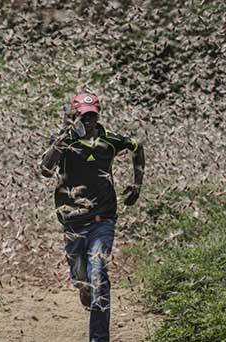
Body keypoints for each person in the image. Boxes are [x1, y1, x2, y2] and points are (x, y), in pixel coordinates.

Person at [40, 92, 145, 342]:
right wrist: (64, 137)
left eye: (91, 116)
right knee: (82, 281)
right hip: (73, 223)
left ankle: (99, 339)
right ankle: (83, 287)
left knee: (98, 276)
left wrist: (136, 184)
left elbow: (137, 147)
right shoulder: (63, 142)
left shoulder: (109, 139)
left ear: (97, 115)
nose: (88, 122)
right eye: (82, 117)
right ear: (73, 116)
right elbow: (45, 170)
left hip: (102, 219)